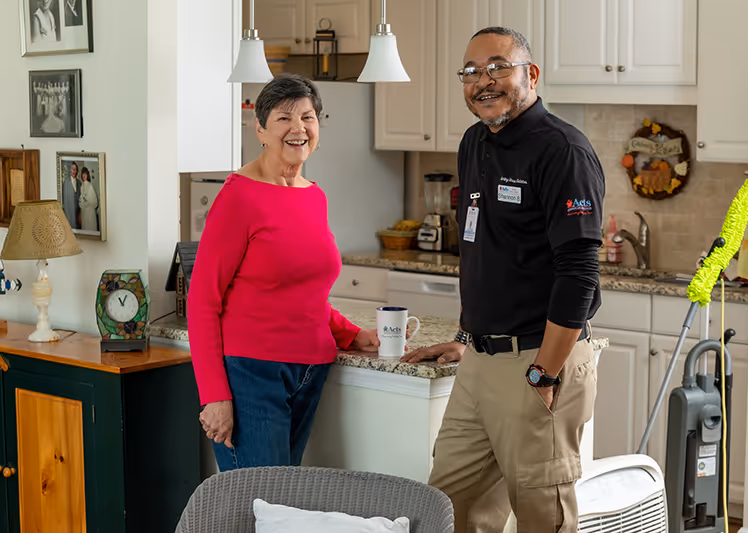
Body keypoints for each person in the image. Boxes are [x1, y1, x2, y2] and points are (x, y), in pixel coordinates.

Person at [401, 27, 605, 533]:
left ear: (530, 75)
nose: (482, 81)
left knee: (543, 519)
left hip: (538, 363)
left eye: (497, 67)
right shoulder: (474, 143)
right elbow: (487, 250)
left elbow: (579, 273)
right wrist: (468, 339)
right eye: (470, 72)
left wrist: (545, 372)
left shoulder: (563, 151)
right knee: (448, 508)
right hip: (480, 365)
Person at [188, 74, 381, 472]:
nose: (298, 129)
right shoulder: (238, 196)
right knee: (259, 505)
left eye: (308, 118)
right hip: (251, 374)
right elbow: (202, 300)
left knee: (282, 506)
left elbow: (305, 294)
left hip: (309, 371)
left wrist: (353, 335)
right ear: (260, 129)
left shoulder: (314, 196)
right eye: (283, 119)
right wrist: (214, 395)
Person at [78, 167, 98, 232]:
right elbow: (81, 200)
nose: (84, 176)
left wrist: (87, 202)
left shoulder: (90, 186)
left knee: (90, 227)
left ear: (87, 175)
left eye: (85, 174)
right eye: (82, 174)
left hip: (90, 212)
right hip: (84, 213)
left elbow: (94, 202)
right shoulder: (81, 187)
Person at [61, 162, 80, 229]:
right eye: (73, 169)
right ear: (70, 170)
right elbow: (65, 201)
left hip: (78, 215)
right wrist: (67, 217)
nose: (74, 171)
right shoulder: (66, 182)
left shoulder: (79, 182)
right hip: (69, 215)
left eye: (75, 169)